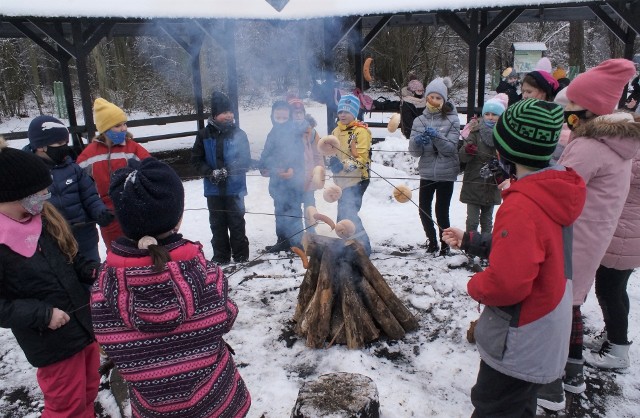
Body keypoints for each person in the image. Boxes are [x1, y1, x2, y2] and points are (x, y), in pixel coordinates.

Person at [442, 99, 587, 417]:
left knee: (494, 405)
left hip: (521, 337)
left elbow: (507, 283)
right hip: (546, 328)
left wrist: (476, 285)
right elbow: (530, 250)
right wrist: (472, 240)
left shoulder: (521, 206)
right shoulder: (553, 191)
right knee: (519, 405)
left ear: (506, 154)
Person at [90, 157, 251, 418]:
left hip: (153, 410)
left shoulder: (103, 291)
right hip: (216, 404)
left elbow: (109, 342)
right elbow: (226, 316)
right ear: (177, 219)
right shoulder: (206, 275)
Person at [536, 58, 640, 410]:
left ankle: (552, 384)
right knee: (572, 303)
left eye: (571, 106)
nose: (567, 112)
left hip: (574, 235)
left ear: (588, 109)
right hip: (595, 234)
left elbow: (559, 189)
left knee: (558, 306)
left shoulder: (590, 145)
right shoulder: (616, 144)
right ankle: (574, 373)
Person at [0, 138, 101, 417]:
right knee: (66, 404)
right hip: (51, 341)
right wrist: (43, 314)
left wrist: (92, 270)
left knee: (89, 389)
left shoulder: (43, 220)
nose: (45, 196)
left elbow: (72, 257)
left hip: (82, 326)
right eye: (38, 192)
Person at [27, 115, 114, 262]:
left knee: (91, 280)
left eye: (66, 142)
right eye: (59, 142)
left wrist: (100, 211)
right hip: (53, 240)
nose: (65, 147)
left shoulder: (74, 169)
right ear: (41, 146)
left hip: (84, 238)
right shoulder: (28, 173)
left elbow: (90, 196)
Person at [584, 154, 640, 370]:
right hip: (628, 233)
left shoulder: (632, 158)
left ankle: (617, 350)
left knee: (609, 291)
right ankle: (613, 336)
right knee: (617, 289)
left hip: (624, 234)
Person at [76, 98, 151, 251]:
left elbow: (152, 170)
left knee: (142, 250)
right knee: (116, 251)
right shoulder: (90, 154)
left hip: (135, 210)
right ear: (105, 129)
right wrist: (96, 209)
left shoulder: (132, 148)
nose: (123, 128)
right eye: (117, 126)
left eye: (124, 124)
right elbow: (81, 184)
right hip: (108, 215)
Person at [191, 91, 251, 264]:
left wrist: (227, 170)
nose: (229, 115)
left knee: (236, 222)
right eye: (225, 112)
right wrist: (210, 173)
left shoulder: (239, 134)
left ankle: (240, 255)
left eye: (231, 112)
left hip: (235, 189)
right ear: (215, 115)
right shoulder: (203, 135)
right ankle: (221, 256)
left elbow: (244, 159)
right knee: (217, 224)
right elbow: (196, 160)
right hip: (213, 190)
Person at [408, 76, 460, 256]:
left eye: (439, 98)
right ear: (427, 98)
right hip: (427, 171)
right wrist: (418, 141)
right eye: (432, 97)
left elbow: (450, 149)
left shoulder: (453, 119)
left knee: (442, 211)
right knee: (423, 209)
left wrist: (436, 136)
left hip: (446, 172)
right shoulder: (419, 121)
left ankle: (445, 244)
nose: (435, 101)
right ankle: (431, 241)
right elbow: (414, 152)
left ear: (444, 100)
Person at [327, 93, 373, 255]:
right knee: (342, 216)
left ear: (354, 113)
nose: (343, 115)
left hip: (357, 180)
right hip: (341, 182)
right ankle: (348, 246)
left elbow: (361, 158)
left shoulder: (361, 132)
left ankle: (364, 247)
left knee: (349, 214)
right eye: (340, 112)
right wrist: (332, 162)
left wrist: (343, 166)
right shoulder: (335, 131)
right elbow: (329, 152)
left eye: (346, 112)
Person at [259, 100, 305, 252]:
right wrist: (263, 167)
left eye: (284, 116)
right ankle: (282, 241)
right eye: (277, 115)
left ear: (289, 116)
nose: (280, 118)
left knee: (294, 211)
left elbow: (300, 156)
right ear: (272, 116)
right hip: (277, 182)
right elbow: (266, 155)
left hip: (293, 182)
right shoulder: (272, 133)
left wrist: (293, 170)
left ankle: (297, 243)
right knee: (279, 211)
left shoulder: (295, 132)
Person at [458, 96, 505, 236]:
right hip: (474, 181)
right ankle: (471, 248)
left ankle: (485, 249)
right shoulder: (475, 132)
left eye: (494, 114)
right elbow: (462, 157)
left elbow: (508, 159)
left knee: (487, 220)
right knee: (472, 221)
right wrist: (467, 150)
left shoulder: (504, 135)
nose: (490, 117)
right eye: (487, 114)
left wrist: (499, 163)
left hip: (492, 183)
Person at [289, 97, 324, 232]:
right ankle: (297, 236)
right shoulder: (286, 130)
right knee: (294, 207)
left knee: (310, 206)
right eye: (295, 112)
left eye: (300, 112)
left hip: (308, 176)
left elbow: (318, 154)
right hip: (292, 177)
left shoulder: (312, 132)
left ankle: (311, 235)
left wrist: (319, 173)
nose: (298, 115)